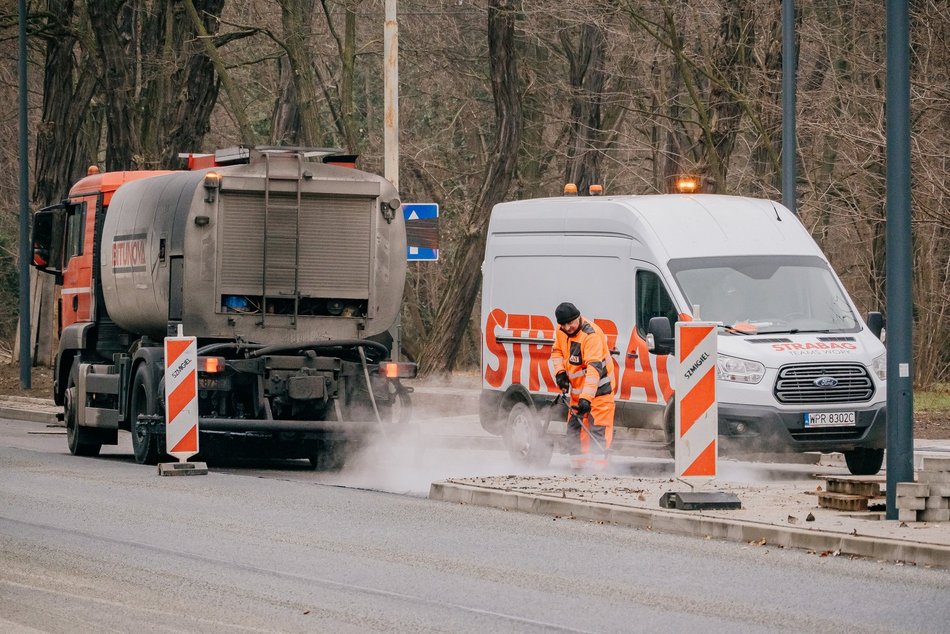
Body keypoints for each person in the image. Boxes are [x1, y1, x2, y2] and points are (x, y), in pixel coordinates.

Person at [550, 302, 616, 471]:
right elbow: (557, 351)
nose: (567, 327)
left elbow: (594, 370)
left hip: (600, 393)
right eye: (563, 324)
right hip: (578, 393)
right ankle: (577, 472)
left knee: (597, 433)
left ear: (578, 317)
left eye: (570, 323)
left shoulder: (591, 336)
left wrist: (586, 398)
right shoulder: (561, 331)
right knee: (574, 433)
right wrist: (560, 373)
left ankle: (598, 474)